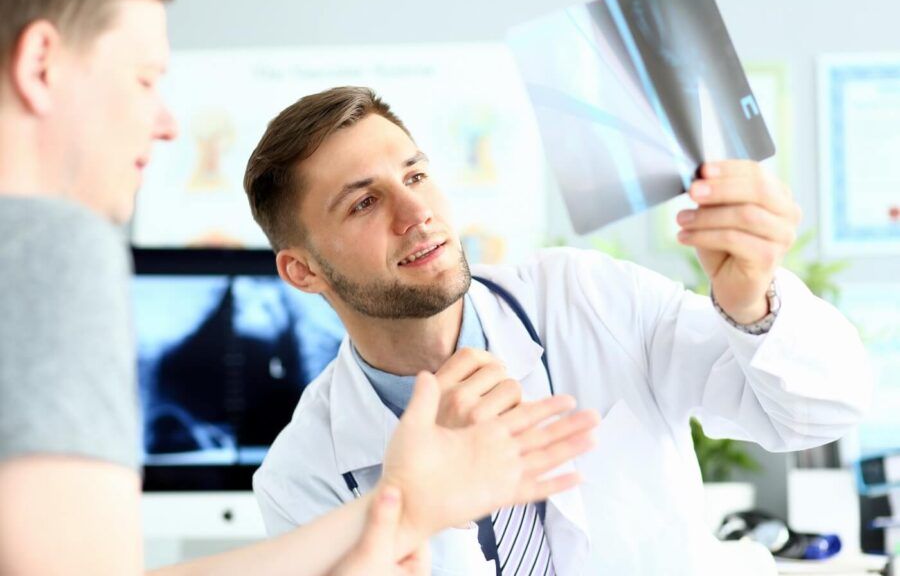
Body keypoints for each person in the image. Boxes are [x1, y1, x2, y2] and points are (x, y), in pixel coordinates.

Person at [0, 0, 600, 575]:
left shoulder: (577, 294)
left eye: (415, 177)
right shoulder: (47, 247)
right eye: (145, 81)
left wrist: (403, 509)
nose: (167, 125)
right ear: (41, 64)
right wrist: (405, 509)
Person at [246, 86, 874, 575]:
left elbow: (817, 416)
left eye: (414, 176)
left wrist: (751, 303)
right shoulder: (304, 476)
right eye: (363, 202)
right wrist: (436, 502)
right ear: (302, 271)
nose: (417, 214)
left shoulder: (584, 297)